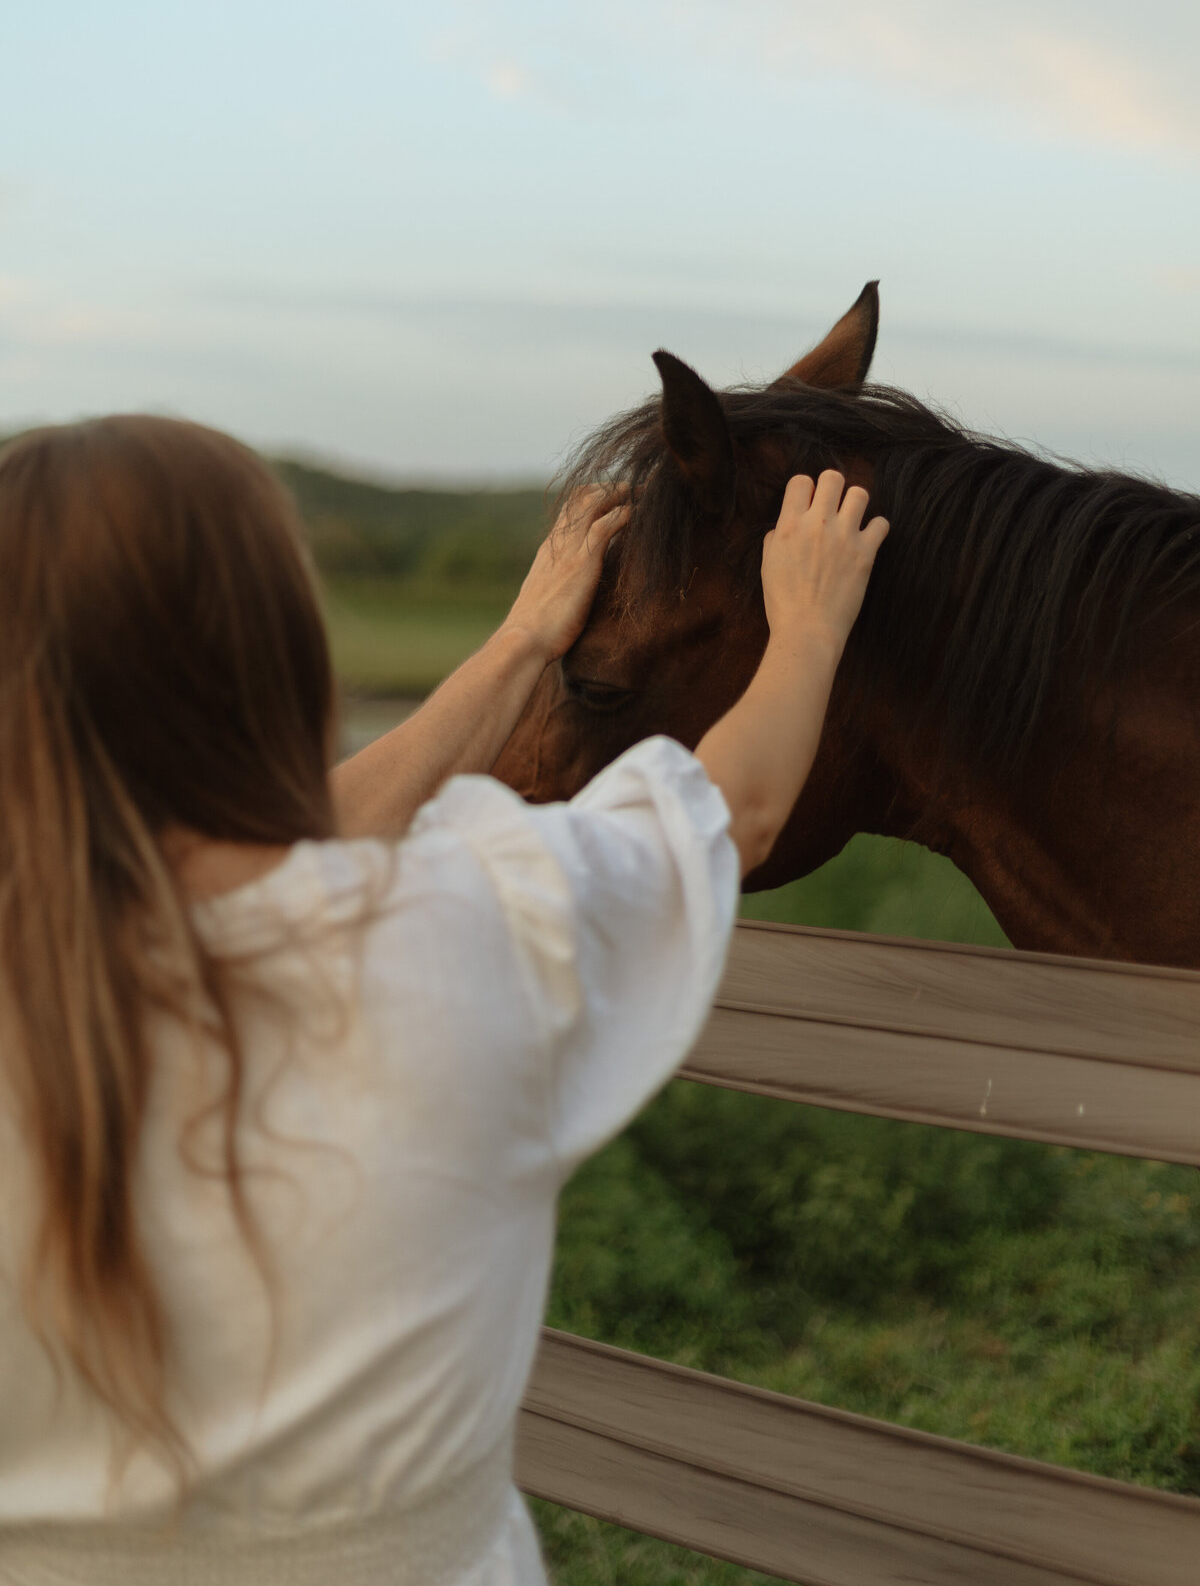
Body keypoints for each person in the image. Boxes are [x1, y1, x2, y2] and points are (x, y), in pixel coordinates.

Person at [0, 414, 887, 1585]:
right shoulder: (470, 926)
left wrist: (524, 642)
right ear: (281, 650)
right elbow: (736, 808)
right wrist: (812, 626)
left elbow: (275, 844)